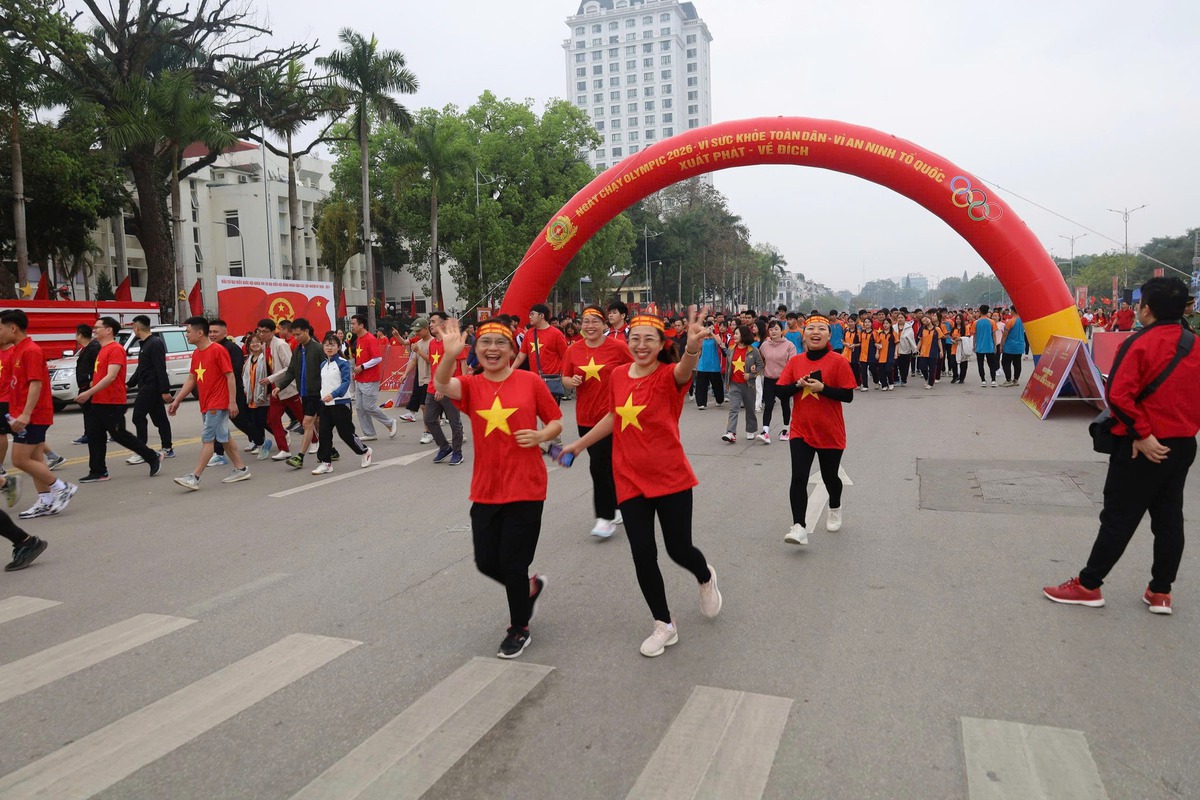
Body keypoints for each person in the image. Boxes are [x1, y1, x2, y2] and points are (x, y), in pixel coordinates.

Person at [561, 308, 722, 657]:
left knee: (678, 549)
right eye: (635, 338)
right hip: (629, 477)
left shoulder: (669, 376)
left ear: (662, 343)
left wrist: (692, 347)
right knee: (642, 553)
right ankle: (663, 623)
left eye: (649, 339)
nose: (641, 345)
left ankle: (704, 575)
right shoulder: (618, 375)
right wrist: (578, 444)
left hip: (670, 476)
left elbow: (684, 369)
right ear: (627, 341)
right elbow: (613, 416)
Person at [1044, 277, 1200, 615]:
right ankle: (1160, 592)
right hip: (1182, 445)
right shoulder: (1195, 344)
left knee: (1118, 517)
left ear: (1145, 308)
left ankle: (1088, 585)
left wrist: (1142, 435)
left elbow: (1118, 395)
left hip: (1140, 447)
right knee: (1170, 518)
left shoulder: (1140, 343)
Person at [435, 317, 560, 658]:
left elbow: (555, 421)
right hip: (487, 488)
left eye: (500, 343)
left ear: (511, 350)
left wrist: (540, 436)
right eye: (485, 343)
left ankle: (519, 626)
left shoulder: (530, 381)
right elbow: (442, 385)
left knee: (512, 562)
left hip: (527, 486)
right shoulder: (472, 385)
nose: (492, 349)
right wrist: (449, 355)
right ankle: (529, 590)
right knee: (486, 561)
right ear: (475, 350)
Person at [773, 315, 857, 544]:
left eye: (822, 329)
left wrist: (823, 388)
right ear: (804, 334)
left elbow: (848, 395)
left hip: (830, 431)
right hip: (801, 430)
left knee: (831, 478)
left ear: (829, 335)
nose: (815, 332)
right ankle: (799, 526)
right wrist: (797, 384)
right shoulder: (796, 362)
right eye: (811, 328)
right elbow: (780, 392)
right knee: (798, 478)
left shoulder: (838, 361)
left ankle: (835, 506)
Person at [564, 305, 633, 538]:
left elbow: (637, 368)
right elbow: (564, 378)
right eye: (586, 321)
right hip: (585, 416)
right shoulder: (573, 350)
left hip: (613, 415)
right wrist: (570, 381)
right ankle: (617, 504)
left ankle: (605, 518)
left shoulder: (618, 347)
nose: (590, 326)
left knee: (599, 465)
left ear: (605, 324)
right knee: (604, 464)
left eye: (595, 321)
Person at [0, 310, 77, 519]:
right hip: (23, 414)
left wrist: (25, 414)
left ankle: (62, 487)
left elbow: (36, 383)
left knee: (19, 459)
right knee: (35, 459)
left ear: (12, 328)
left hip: (34, 415)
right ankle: (45, 500)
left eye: (0, 328)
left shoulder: (31, 351)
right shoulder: (17, 351)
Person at [74, 317, 162, 481]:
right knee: (95, 436)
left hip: (112, 401)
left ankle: (152, 456)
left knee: (119, 435)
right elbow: (100, 376)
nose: (94, 330)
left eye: (97, 327)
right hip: (98, 400)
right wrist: (90, 388)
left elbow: (111, 377)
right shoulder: (101, 349)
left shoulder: (115, 349)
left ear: (109, 330)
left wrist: (88, 392)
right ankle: (98, 471)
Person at [168, 317, 251, 490]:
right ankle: (241, 469)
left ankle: (195, 477)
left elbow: (230, 376)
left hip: (217, 403)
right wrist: (177, 400)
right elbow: (192, 378)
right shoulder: (197, 353)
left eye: (188, 332)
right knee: (225, 437)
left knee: (208, 439)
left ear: (199, 333)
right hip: (206, 403)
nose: (186, 335)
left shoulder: (218, 350)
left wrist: (232, 401)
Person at [310, 333, 373, 475]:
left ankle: (365, 451)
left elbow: (346, 382)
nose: (329, 347)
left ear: (338, 346)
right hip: (326, 405)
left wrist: (334, 394)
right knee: (324, 433)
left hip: (341, 403)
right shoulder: (323, 365)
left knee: (346, 434)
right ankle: (326, 463)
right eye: (326, 344)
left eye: (332, 344)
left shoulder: (342, 363)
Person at [271, 318, 326, 471]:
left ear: (307, 331)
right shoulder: (297, 350)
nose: (296, 338)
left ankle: (300, 457)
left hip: (318, 393)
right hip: (305, 394)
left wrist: (327, 391)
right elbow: (291, 372)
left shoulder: (318, 349)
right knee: (317, 424)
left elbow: (327, 370)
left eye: (298, 334)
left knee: (308, 423)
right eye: (294, 335)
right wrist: (280, 387)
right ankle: (331, 450)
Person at [124, 315, 174, 463]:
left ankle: (143, 451)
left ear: (136, 328)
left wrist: (165, 390)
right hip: (146, 385)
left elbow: (160, 368)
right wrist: (129, 384)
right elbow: (142, 368)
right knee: (160, 419)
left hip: (151, 387)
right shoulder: (145, 344)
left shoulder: (154, 343)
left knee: (138, 417)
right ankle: (167, 448)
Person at [348, 313, 398, 441]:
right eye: (351, 324)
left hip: (370, 378)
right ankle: (369, 433)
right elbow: (360, 358)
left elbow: (377, 358)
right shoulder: (358, 339)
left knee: (369, 406)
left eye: (353, 324)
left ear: (361, 325)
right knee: (359, 407)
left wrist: (362, 367)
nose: (351, 326)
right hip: (360, 378)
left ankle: (390, 422)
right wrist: (356, 371)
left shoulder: (370, 338)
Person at [425, 311, 466, 466]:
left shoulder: (452, 340)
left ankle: (457, 453)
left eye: (433, 322)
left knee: (454, 422)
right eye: (430, 322)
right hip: (432, 387)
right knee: (429, 419)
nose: (430, 325)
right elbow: (433, 365)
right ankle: (444, 447)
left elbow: (456, 366)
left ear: (443, 324)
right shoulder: (431, 343)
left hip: (450, 388)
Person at [257, 318, 301, 461]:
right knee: (272, 420)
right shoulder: (264, 346)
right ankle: (284, 449)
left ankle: (315, 441)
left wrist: (272, 379)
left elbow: (290, 367)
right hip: (276, 390)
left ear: (273, 332)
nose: (262, 334)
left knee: (303, 418)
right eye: (260, 331)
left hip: (288, 388)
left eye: (265, 332)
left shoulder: (281, 345)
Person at [721, 324, 763, 444]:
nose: (734, 336)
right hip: (734, 384)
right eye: (734, 334)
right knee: (733, 408)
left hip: (748, 385)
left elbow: (761, 366)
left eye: (737, 334)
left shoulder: (754, 351)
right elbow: (728, 366)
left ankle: (750, 430)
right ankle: (730, 432)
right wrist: (727, 382)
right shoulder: (731, 349)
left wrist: (751, 375)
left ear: (744, 335)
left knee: (750, 409)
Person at [758, 319, 796, 443]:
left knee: (785, 404)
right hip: (769, 379)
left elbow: (792, 364)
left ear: (781, 331)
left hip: (783, 380)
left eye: (776, 329)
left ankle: (785, 430)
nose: (773, 332)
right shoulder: (764, 345)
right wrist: (757, 368)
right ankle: (765, 431)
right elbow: (761, 359)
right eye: (771, 329)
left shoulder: (789, 345)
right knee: (768, 405)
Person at [70, 324, 100, 446]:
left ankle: (90, 434)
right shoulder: (84, 348)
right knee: (88, 411)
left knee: (92, 412)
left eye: (76, 333)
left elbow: (97, 365)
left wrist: (94, 380)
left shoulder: (94, 347)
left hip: (90, 385)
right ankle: (89, 433)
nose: (75, 336)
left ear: (80, 335)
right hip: (83, 385)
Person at [241, 335, 272, 456]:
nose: (255, 344)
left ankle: (282, 435)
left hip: (263, 395)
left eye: (258, 342)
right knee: (255, 422)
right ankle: (261, 444)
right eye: (252, 342)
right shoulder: (249, 360)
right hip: (251, 395)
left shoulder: (265, 359)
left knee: (263, 421)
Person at [693, 318, 725, 409]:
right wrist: (703, 335)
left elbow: (719, 343)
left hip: (714, 365)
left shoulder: (716, 337)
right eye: (706, 328)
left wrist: (712, 333)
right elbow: (697, 347)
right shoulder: (701, 339)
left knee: (717, 385)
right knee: (701, 386)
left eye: (709, 327)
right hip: (703, 366)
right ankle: (701, 403)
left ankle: (719, 400)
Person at [974, 304, 999, 386]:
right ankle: (993, 380)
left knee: (980, 364)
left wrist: (974, 345)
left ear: (980, 312)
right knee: (992, 364)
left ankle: (983, 380)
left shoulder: (976, 322)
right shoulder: (992, 322)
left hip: (979, 346)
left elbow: (975, 335)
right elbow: (994, 335)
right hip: (990, 346)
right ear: (988, 311)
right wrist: (995, 345)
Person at [1000, 310, 1026, 387]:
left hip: (1010, 346)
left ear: (1013, 311)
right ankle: (1016, 380)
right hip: (1020, 345)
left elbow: (1005, 335)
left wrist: (1001, 345)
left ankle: (1008, 380)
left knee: (1006, 363)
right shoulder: (1023, 321)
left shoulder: (1010, 321)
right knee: (1017, 363)